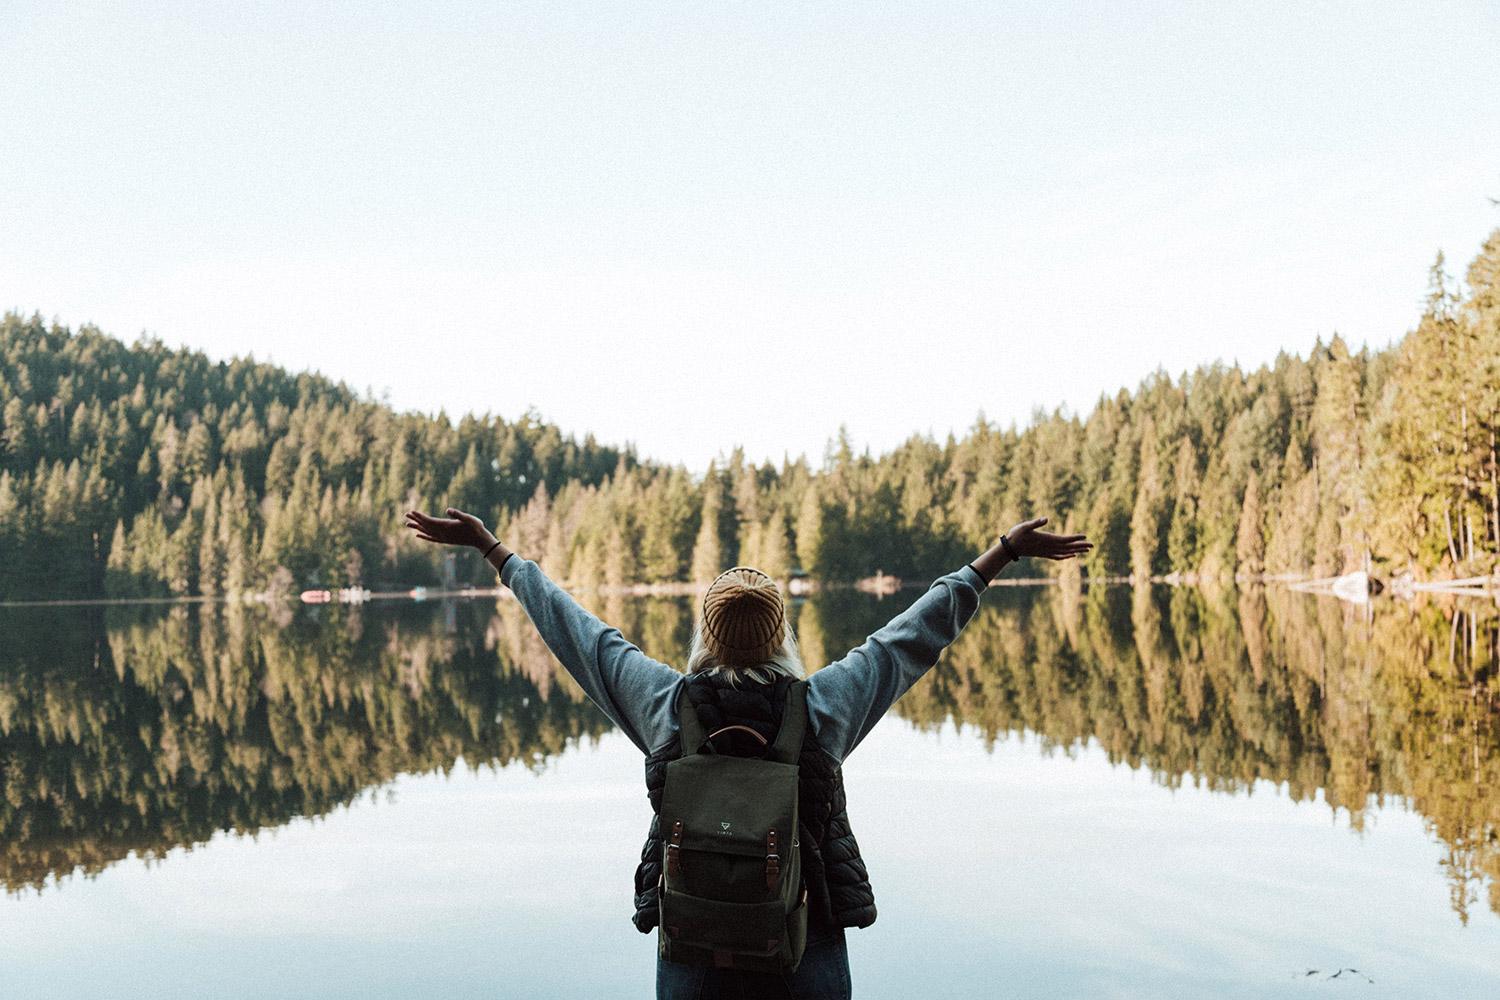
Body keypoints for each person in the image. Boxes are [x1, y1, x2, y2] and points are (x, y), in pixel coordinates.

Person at [403, 506, 1090, 999]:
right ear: (779, 635)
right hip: (804, 936)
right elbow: (913, 636)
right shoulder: (822, 708)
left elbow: (577, 633)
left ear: (706, 633)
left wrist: (495, 550)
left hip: (696, 940)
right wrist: (1002, 552)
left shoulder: (667, 705)